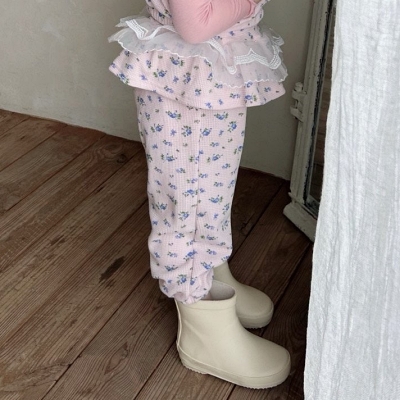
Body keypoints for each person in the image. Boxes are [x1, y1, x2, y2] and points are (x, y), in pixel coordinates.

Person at [109, 0, 290, 389]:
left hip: (205, 67)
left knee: (210, 191)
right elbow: (195, 24)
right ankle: (200, 323)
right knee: (188, 200)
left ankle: (211, 271)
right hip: (190, 70)